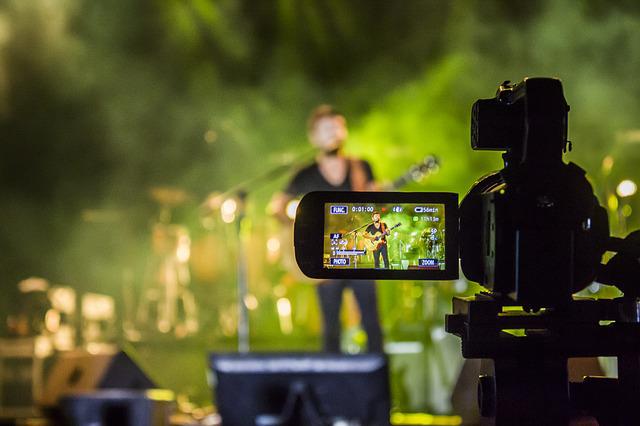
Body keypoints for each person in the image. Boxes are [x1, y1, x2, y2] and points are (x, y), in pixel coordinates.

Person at [271, 105, 383, 353]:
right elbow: (276, 208)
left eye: (337, 127)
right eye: (327, 129)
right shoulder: (305, 174)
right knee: (330, 326)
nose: (334, 133)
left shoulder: (361, 166)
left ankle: (377, 379)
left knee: (371, 322)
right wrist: (298, 222)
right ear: (314, 136)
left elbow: (378, 203)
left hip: (361, 255)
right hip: (325, 258)